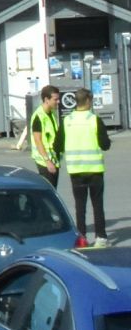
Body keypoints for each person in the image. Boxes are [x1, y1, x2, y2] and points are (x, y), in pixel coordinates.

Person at [60, 90, 111, 247]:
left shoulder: (67, 120)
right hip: (94, 168)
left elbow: (59, 144)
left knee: (80, 206)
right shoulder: (94, 120)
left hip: (75, 169)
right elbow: (105, 144)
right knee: (97, 204)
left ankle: (81, 237)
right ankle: (101, 237)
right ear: (88, 101)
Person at [28, 85, 63, 188]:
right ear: (46, 99)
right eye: (55, 99)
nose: (58, 102)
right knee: (49, 192)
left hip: (53, 159)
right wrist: (47, 161)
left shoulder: (50, 113)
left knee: (52, 191)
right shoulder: (39, 116)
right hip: (45, 162)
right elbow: (38, 140)